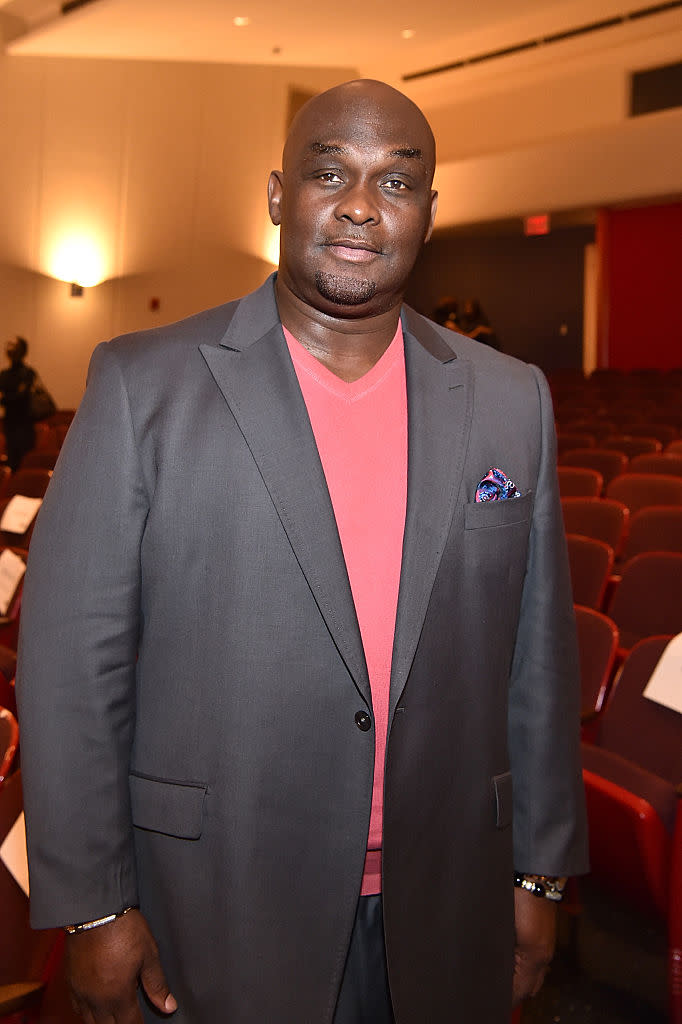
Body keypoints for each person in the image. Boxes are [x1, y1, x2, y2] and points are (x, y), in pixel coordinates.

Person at [16, 79, 588, 1023]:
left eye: (396, 182)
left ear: (430, 213)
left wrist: (543, 871)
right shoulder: (140, 387)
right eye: (331, 173)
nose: (362, 204)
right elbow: (74, 669)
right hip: (210, 908)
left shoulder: (510, 397)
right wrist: (94, 910)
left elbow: (536, 665)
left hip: (445, 902)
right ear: (280, 196)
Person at [0, 335, 36, 471]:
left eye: (14, 345)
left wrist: (7, 397)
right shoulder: (4, 374)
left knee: (26, 466)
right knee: (12, 465)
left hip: (25, 428)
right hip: (10, 427)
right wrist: (13, 395)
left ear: (22, 350)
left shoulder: (28, 373)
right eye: (8, 345)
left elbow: (19, 397)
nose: (10, 348)